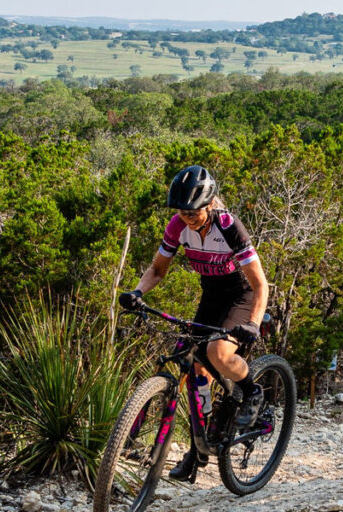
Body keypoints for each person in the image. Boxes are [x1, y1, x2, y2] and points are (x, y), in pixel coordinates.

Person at [118, 165, 269, 481]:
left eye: (193, 211)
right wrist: (137, 292)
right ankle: (199, 447)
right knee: (196, 370)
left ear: (210, 203)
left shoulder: (229, 227)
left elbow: (260, 285)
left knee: (218, 353)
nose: (187, 217)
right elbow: (157, 270)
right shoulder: (177, 227)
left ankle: (251, 390)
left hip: (241, 296)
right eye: (182, 211)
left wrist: (253, 324)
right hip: (211, 296)